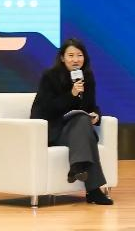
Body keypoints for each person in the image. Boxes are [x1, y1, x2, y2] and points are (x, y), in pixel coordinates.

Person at [30, 38, 113, 205]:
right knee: (85, 130)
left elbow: (91, 106)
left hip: (76, 129)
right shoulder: (50, 76)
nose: (76, 59)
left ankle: (77, 168)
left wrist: (96, 115)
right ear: (62, 58)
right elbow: (47, 109)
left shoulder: (87, 77)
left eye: (79, 55)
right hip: (52, 129)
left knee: (83, 120)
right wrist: (72, 95)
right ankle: (92, 190)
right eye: (71, 55)